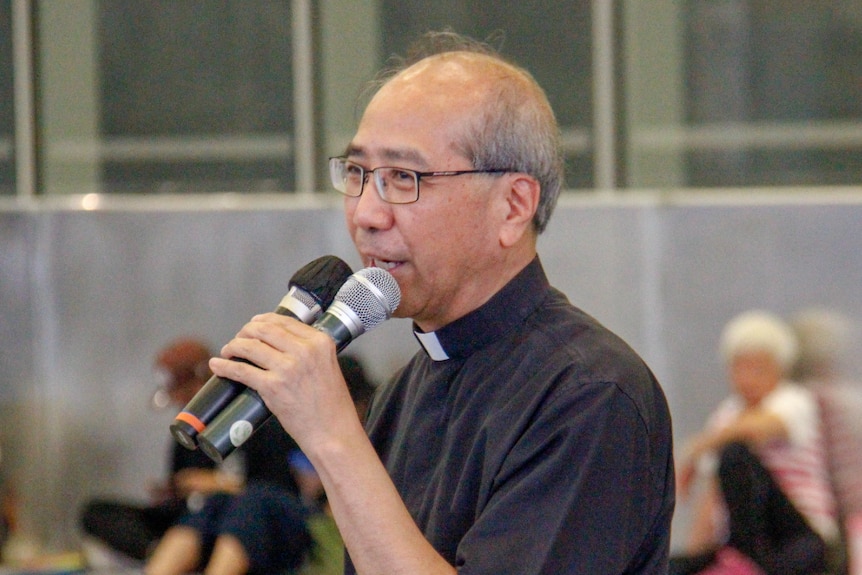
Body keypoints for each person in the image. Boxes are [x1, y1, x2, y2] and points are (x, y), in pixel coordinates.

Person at [208, 30, 675, 574]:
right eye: (357, 174)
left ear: (513, 206)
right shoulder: (405, 392)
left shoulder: (589, 395)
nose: (365, 213)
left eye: (404, 178)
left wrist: (333, 438)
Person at [672, 310, 840, 575]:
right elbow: (714, 497)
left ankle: (750, 563)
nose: (747, 378)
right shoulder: (726, 416)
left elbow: (757, 429)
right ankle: (745, 560)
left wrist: (697, 449)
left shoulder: (794, 400)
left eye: (758, 368)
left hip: (798, 534)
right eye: (740, 367)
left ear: (779, 368)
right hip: (745, 543)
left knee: (735, 454)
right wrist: (697, 555)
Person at [80, 337, 218, 565]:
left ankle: (174, 560)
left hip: (219, 522)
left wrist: (215, 483)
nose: (180, 405)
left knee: (211, 517)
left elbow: (270, 493)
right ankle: (163, 555)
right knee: (96, 512)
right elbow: (181, 491)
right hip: (181, 522)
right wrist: (171, 491)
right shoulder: (186, 427)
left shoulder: (244, 422)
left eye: (184, 396)